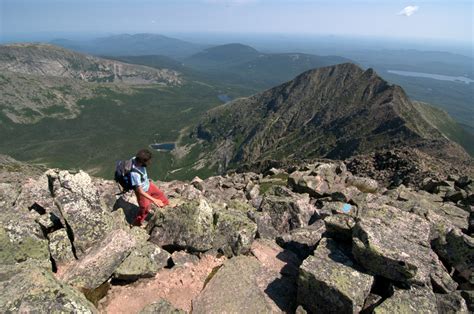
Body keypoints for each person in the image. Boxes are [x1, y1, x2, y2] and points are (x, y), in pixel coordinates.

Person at [130, 149, 169, 226]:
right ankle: (136, 223)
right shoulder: (135, 174)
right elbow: (140, 191)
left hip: (148, 184)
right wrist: (154, 200)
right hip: (142, 192)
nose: (150, 162)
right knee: (145, 208)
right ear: (142, 162)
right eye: (148, 161)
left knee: (160, 195)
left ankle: (167, 209)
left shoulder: (136, 159)